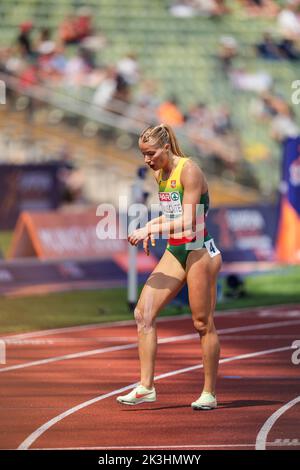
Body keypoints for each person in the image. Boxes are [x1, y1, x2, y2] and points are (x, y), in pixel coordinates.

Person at [117, 124, 222, 410]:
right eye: (143, 155)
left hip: (200, 249)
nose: (147, 160)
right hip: (177, 249)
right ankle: (146, 387)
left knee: (202, 323)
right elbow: (171, 215)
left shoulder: (189, 170)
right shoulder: (159, 173)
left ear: (166, 148)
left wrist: (148, 228)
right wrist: (152, 226)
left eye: (151, 153)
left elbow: (190, 221)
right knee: (143, 313)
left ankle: (209, 393)